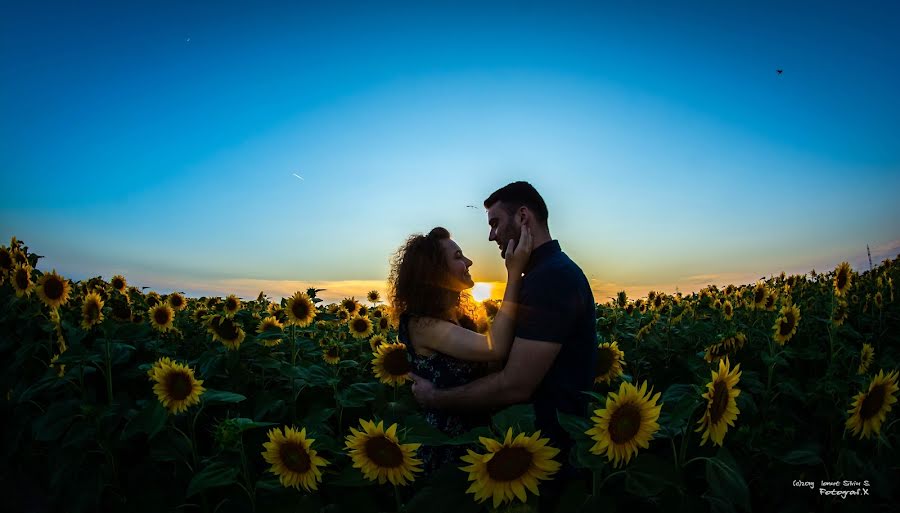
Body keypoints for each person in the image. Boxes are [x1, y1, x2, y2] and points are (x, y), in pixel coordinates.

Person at [410, 181, 598, 503]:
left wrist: (435, 398)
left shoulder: (551, 279)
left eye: (495, 223)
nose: (491, 235)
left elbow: (515, 386)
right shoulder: (538, 276)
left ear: (523, 216)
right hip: (522, 450)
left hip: (545, 451)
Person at [387, 224, 533, 474]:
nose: (469, 261)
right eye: (457, 257)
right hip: (449, 449)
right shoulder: (422, 324)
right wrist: (514, 272)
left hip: (477, 440)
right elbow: (494, 349)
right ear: (434, 272)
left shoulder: (454, 318)